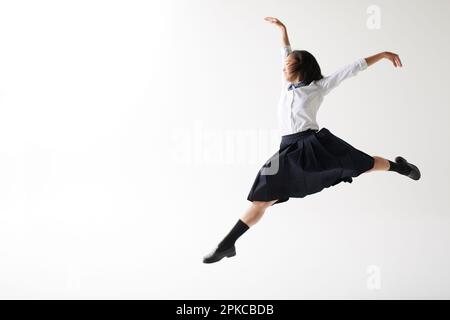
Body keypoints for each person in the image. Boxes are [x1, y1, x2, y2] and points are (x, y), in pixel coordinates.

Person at [203, 17, 421, 264]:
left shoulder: (319, 86)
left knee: (365, 164)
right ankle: (227, 244)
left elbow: (351, 68)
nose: (283, 68)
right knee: (261, 196)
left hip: (313, 146)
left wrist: (382, 54)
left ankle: (400, 167)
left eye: (288, 65)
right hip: (286, 150)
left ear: (301, 68)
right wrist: (283, 31)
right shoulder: (286, 87)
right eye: (284, 65)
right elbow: (285, 52)